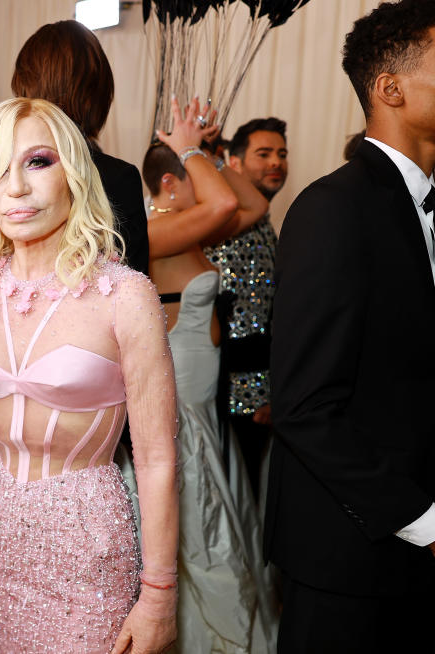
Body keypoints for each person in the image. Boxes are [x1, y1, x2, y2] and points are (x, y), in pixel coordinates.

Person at [0, 97, 178, 654]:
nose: (15, 189)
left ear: (74, 172)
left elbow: (156, 457)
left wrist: (159, 593)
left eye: (37, 162)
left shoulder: (124, 295)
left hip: (88, 539)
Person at [266, 1, 435, 650]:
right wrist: (423, 521)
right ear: (389, 88)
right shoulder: (332, 209)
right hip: (348, 552)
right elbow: (305, 406)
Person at [145, 97, 276, 652]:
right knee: (198, 522)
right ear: (172, 185)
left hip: (206, 403)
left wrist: (212, 153)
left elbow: (250, 204)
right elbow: (225, 204)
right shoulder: (157, 232)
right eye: (191, 172)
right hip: (182, 405)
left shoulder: (193, 234)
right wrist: (189, 146)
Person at [0, 20, 149, 275]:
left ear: (21, 82)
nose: (16, 187)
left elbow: (130, 288)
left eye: (38, 163)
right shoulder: (118, 177)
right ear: (100, 92)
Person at [204, 117, 288, 501]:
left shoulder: (264, 223)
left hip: (257, 395)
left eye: (282, 154)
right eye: (264, 154)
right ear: (234, 163)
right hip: (227, 396)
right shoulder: (223, 221)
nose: (276, 162)